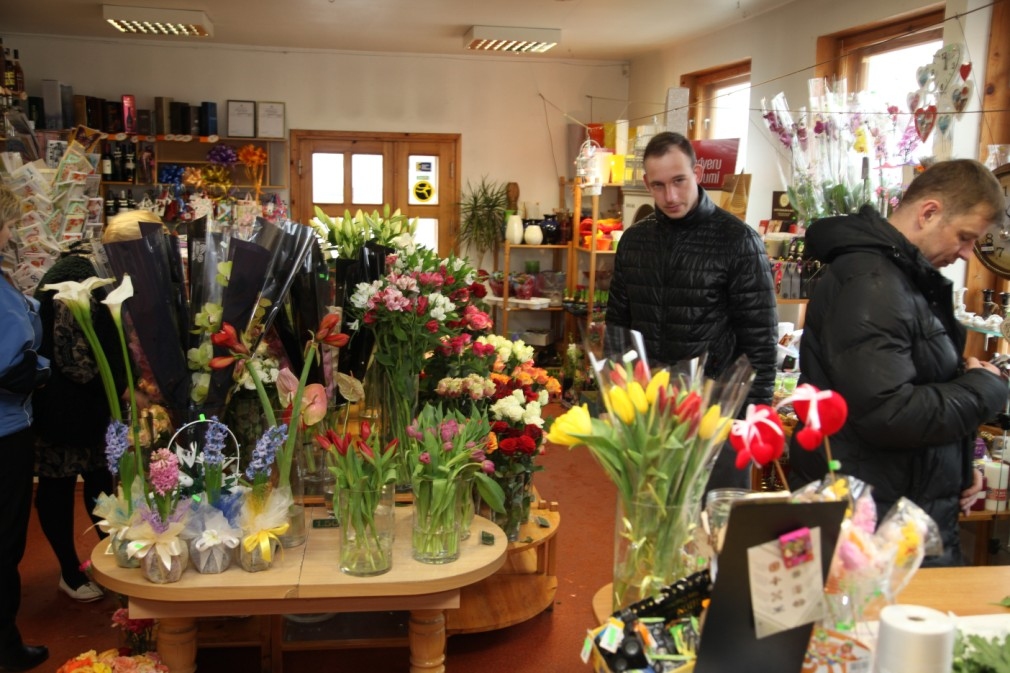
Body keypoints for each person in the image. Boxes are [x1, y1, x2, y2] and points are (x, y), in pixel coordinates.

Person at [786, 159, 1009, 567]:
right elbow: (888, 411)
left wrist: (958, 463)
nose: (965, 254)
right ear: (929, 212)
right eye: (964, 237)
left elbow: (915, 380)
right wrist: (987, 386)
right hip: (875, 525)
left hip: (899, 504)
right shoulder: (872, 282)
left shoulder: (900, 278)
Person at [605, 131, 779, 490]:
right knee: (652, 523)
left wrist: (753, 419)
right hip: (650, 410)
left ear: (697, 172)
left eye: (679, 181)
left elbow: (760, 340)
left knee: (712, 527)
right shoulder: (635, 241)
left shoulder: (739, 241)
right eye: (658, 185)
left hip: (717, 412)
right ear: (646, 184)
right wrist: (616, 395)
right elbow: (617, 327)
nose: (670, 196)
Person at [32, 240, 119, 603]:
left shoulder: (82, 271)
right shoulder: (74, 280)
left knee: (98, 482)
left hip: (82, 409)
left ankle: (111, 564)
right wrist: (120, 387)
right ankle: (71, 571)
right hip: (65, 410)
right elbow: (74, 358)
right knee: (60, 485)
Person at [0, 185, 50, 671]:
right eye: (9, 224)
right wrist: (42, 369)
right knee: (5, 540)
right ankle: (6, 648)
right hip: (5, 429)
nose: (12, 234)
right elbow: (11, 364)